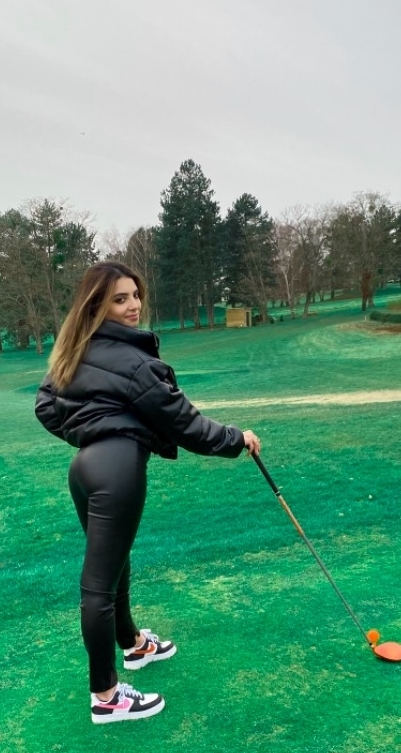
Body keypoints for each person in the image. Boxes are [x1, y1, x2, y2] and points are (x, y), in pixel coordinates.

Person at [35, 261, 260, 724]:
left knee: (116, 566)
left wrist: (92, 433)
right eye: (120, 299)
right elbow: (187, 425)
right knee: (98, 586)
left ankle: (134, 644)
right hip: (116, 470)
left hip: (85, 468)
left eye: (135, 295)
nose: (133, 305)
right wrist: (237, 439)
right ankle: (106, 696)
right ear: (97, 305)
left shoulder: (74, 349)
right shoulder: (134, 363)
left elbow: (47, 407)